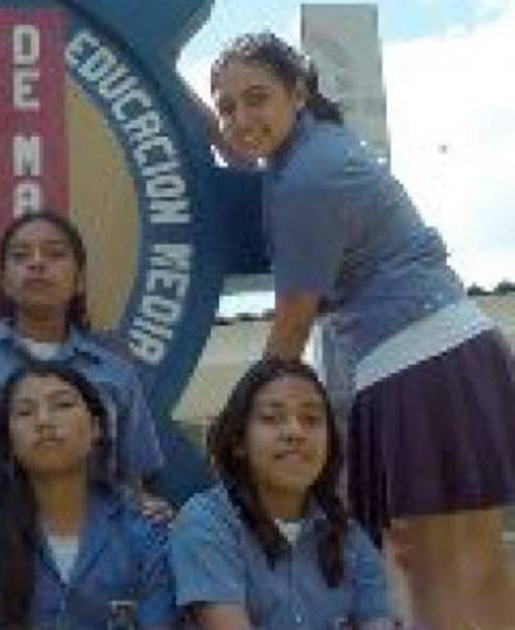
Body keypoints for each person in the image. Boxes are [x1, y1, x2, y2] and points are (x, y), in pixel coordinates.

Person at [208, 31, 515, 627]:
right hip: (443, 350)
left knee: (436, 564)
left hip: (420, 365)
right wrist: (185, 94)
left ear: (298, 93)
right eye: (227, 106)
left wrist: (237, 428)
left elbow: (291, 330)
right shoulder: (310, 144)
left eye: (256, 98)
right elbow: (238, 144)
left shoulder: (306, 182)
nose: (240, 119)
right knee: (462, 558)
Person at [0, 212, 163, 531]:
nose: (36, 263)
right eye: (21, 256)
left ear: (79, 280)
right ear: (4, 281)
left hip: (90, 539)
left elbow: (134, 476)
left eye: (54, 254)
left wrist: (146, 506)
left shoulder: (115, 372)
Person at [0, 362, 176, 629]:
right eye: (25, 412)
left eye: (62, 405)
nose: (43, 420)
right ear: (9, 440)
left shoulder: (143, 528)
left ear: (96, 427)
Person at [170, 359, 393, 628]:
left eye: (311, 419)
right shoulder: (207, 522)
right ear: (239, 441)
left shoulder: (349, 536)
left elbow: (380, 620)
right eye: (272, 418)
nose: (295, 432)